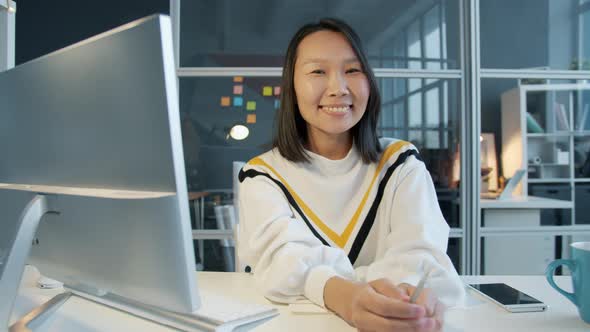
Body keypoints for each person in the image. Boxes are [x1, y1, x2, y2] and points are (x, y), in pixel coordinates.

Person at [237, 18, 465, 332]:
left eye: (352, 70)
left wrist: (335, 289)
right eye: (318, 71)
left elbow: (422, 255)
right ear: (291, 87)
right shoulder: (262, 175)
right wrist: (347, 298)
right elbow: (279, 262)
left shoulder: (400, 163)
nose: (338, 88)